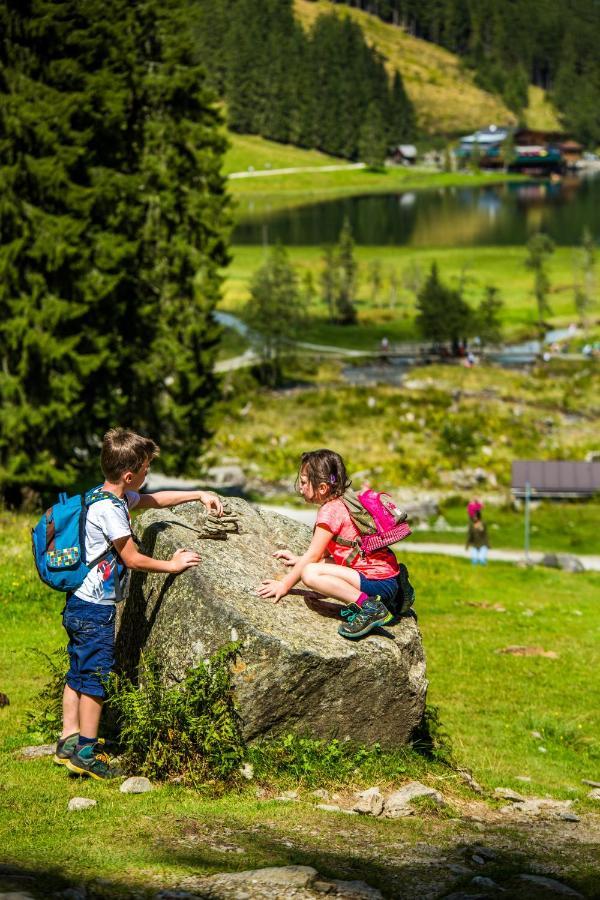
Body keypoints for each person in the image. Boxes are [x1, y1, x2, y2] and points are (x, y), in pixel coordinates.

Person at [55, 427, 223, 780]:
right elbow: (131, 558)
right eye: (146, 469)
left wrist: (198, 494)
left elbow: (155, 500)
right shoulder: (112, 512)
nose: (148, 476)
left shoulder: (103, 497)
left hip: (77, 602)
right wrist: (172, 565)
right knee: (96, 679)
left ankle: (67, 741)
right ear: (130, 475)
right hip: (95, 608)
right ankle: (86, 751)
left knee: (78, 670)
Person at [257, 449, 412, 640]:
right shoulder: (344, 502)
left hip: (376, 582)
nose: (300, 488)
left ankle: (369, 607)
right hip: (386, 577)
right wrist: (299, 559)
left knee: (310, 573)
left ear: (322, 488)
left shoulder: (329, 512)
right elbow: (338, 552)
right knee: (313, 566)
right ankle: (397, 594)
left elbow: (313, 557)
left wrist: (284, 585)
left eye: (304, 482)